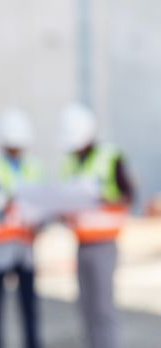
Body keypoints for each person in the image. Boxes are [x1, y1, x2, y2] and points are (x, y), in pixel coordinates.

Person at [59, 103, 134, 348]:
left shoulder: (111, 156)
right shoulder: (71, 162)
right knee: (86, 308)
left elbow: (128, 196)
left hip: (104, 245)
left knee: (103, 308)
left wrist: (102, 198)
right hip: (81, 244)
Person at [0, 108, 42, 348]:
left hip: (25, 250)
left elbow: (40, 204)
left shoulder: (34, 166)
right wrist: (11, 201)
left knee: (30, 310)